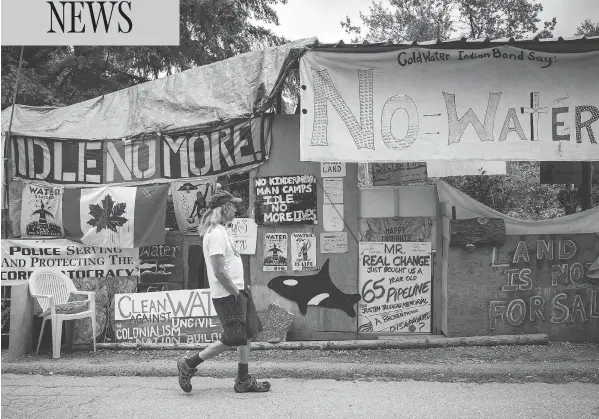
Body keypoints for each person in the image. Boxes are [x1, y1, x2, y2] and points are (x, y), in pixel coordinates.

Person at [177, 190, 270, 394]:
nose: (236, 208)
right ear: (225, 208)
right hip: (229, 295)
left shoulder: (222, 230)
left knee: (245, 334)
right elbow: (219, 271)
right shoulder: (216, 233)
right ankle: (189, 363)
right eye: (233, 205)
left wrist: (241, 290)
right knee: (233, 337)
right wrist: (236, 293)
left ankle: (243, 380)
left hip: (236, 291)